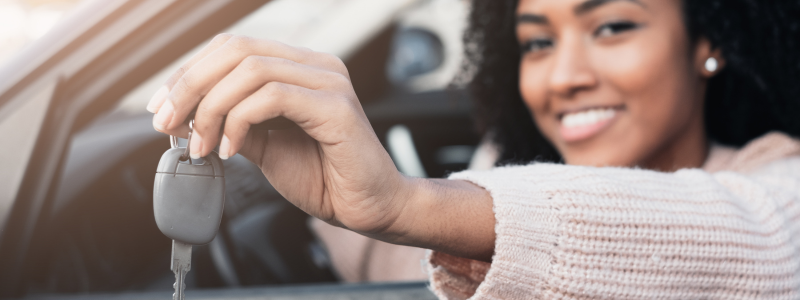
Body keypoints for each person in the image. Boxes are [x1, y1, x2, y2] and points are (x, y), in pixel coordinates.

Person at [145, 0, 800, 298]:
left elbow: (750, 236)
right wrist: (320, 198)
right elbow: (399, 268)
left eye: (612, 27)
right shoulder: (494, 175)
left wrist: (408, 204)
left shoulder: (779, 184)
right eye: (537, 42)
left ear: (707, 41)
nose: (564, 75)